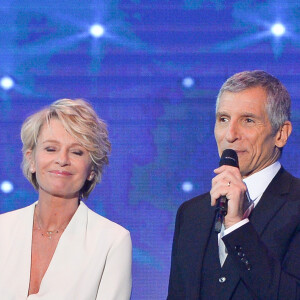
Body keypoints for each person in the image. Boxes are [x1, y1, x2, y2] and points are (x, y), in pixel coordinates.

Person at [167, 70, 300, 299]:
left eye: (248, 120)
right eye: (223, 119)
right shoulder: (191, 214)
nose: (230, 135)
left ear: (281, 133)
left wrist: (237, 226)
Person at [0, 99, 132, 299]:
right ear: (31, 159)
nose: (62, 160)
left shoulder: (112, 241)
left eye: (77, 152)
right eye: (51, 149)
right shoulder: (3, 229)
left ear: (91, 170)